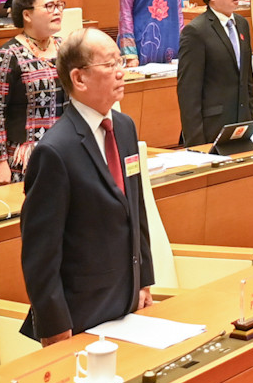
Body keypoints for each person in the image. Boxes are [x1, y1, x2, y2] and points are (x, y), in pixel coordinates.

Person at [18, 27, 154, 340]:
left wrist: (143, 279)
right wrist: (54, 326)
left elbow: (136, 208)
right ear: (79, 79)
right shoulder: (55, 150)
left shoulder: (124, 127)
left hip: (129, 304)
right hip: (81, 315)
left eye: (120, 62)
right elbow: (40, 254)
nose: (121, 72)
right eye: (110, 65)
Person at [0, 0, 66, 185]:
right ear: (27, 15)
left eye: (59, 5)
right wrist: (0, 162)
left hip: (65, 150)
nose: (57, 11)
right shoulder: (5, 56)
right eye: (49, 6)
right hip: (26, 159)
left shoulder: (66, 48)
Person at [176, 0, 253, 146]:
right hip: (212, 128)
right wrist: (196, 143)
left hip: (242, 125)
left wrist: (251, 117)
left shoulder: (242, 24)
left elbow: (247, 78)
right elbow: (188, 92)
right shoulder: (196, 31)